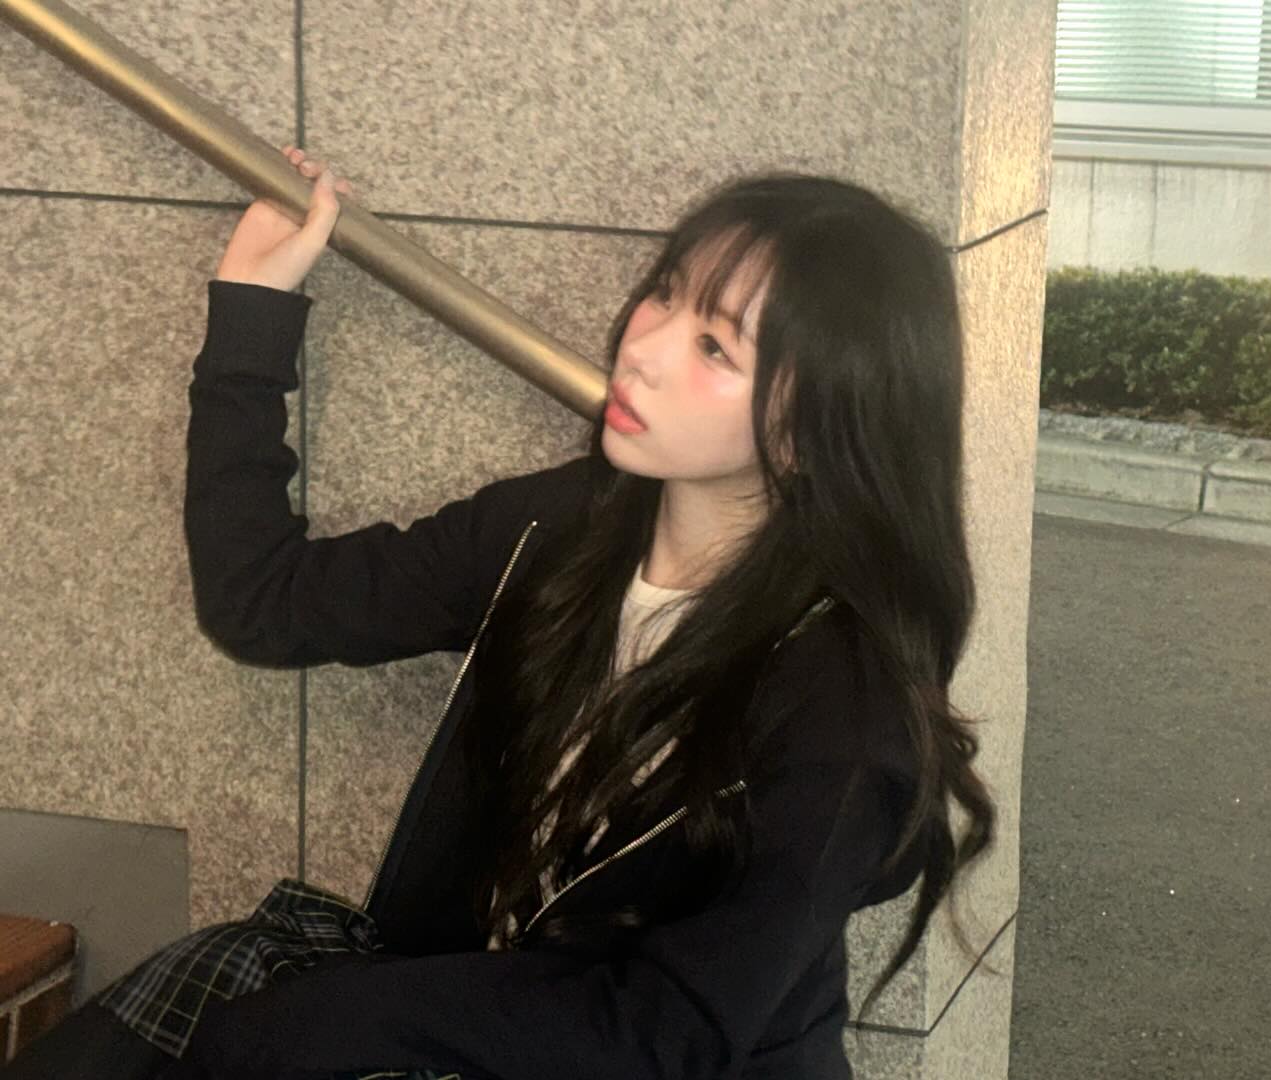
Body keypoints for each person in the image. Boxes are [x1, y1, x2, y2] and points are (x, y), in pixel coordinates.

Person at [3, 146, 996, 1080]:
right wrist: (253, 316)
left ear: (811, 430)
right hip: (458, 1025)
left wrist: (347, 1014)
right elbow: (264, 603)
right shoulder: (558, 530)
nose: (642, 348)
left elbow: (671, 1031)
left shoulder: (843, 707)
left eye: (712, 345)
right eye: (663, 291)